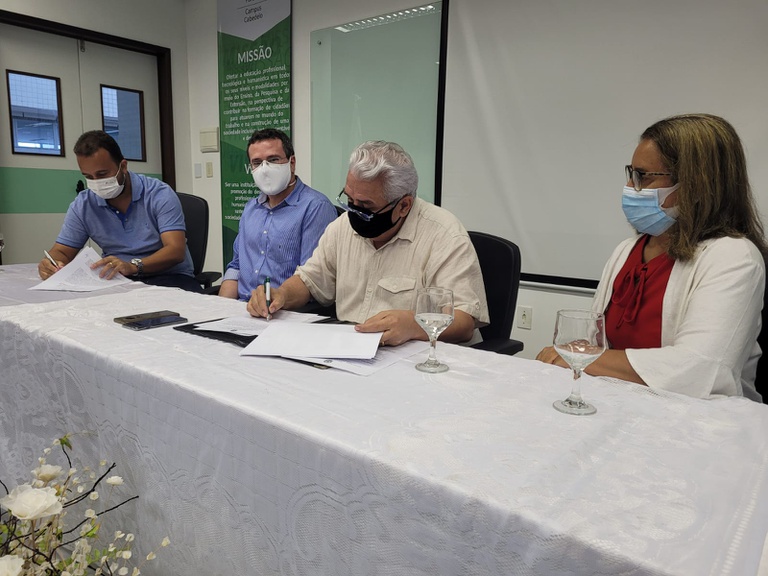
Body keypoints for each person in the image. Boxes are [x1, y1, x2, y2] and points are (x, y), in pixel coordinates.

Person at [537, 113, 766, 401]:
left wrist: (581, 356)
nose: (631, 188)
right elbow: (598, 343)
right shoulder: (627, 250)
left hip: (695, 416)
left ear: (697, 185)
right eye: (631, 174)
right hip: (618, 401)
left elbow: (698, 368)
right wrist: (577, 354)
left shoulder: (734, 258)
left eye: (643, 177)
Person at [247, 140, 490, 346]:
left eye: (365, 206)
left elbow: (464, 321)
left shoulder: (444, 235)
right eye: (349, 200)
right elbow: (310, 280)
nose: (354, 212)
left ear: (404, 206)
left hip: (423, 359)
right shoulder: (342, 227)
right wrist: (281, 295)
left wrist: (414, 324)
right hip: (352, 350)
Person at [38, 130, 200, 292]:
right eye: (89, 177)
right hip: (118, 279)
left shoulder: (159, 194)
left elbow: (175, 251)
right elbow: (62, 251)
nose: (96, 182)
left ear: (123, 166)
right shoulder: (84, 204)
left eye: (102, 174)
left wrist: (133, 266)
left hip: (170, 277)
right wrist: (51, 264)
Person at [219, 128, 337, 300]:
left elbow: (312, 279)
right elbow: (236, 267)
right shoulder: (251, 209)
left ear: (292, 163)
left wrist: (271, 302)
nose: (265, 169)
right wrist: (221, 307)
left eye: (273, 160)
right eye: (257, 163)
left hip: (284, 308)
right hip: (241, 308)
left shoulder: (315, 208)